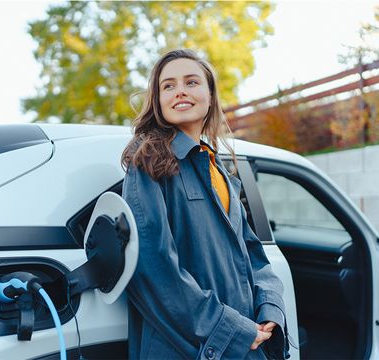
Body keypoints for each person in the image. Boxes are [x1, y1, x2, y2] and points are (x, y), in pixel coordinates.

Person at [121, 49, 290, 360]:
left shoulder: (218, 169)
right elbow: (153, 266)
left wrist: (269, 308)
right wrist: (229, 328)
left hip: (245, 341)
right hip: (189, 346)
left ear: (210, 96)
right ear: (158, 101)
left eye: (191, 82)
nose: (180, 91)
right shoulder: (148, 160)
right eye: (168, 86)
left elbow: (252, 252)